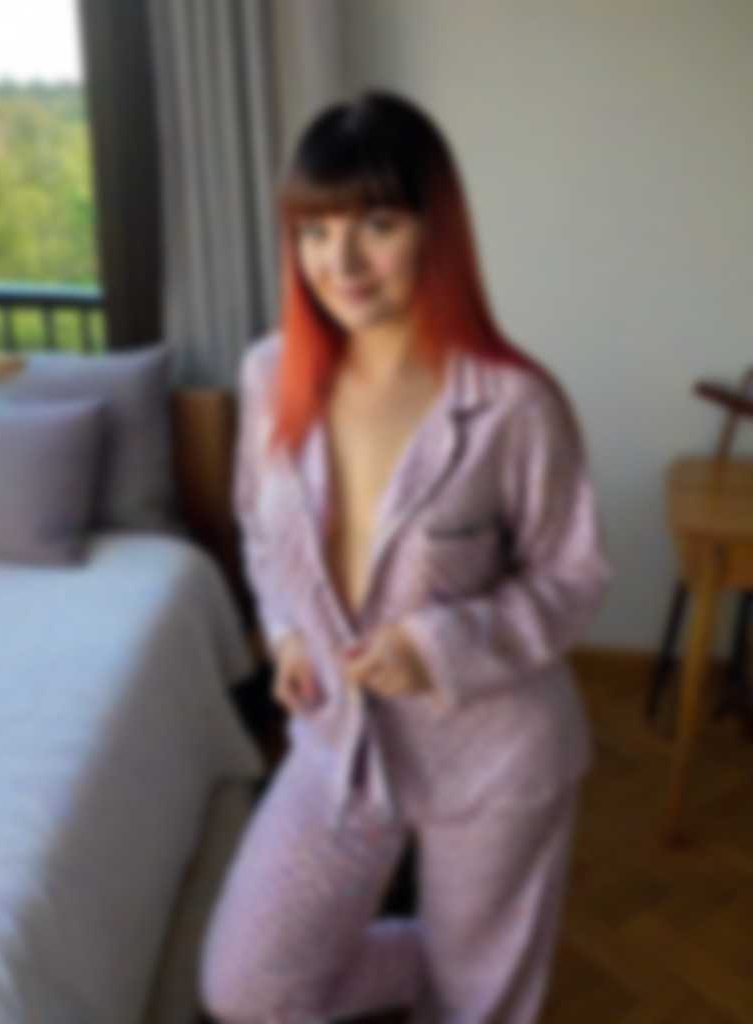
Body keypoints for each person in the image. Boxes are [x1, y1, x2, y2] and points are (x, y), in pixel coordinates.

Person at [199, 88, 614, 1024]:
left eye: (377, 225)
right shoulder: (269, 375)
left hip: (493, 749)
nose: (339, 261)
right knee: (247, 987)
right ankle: (442, 958)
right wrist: (285, 630)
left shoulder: (513, 404)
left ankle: (467, 962)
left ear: (437, 231)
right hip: (339, 739)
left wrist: (438, 644)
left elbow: (574, 575)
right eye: (314, 230)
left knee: (479, 999)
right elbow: (261, 528)